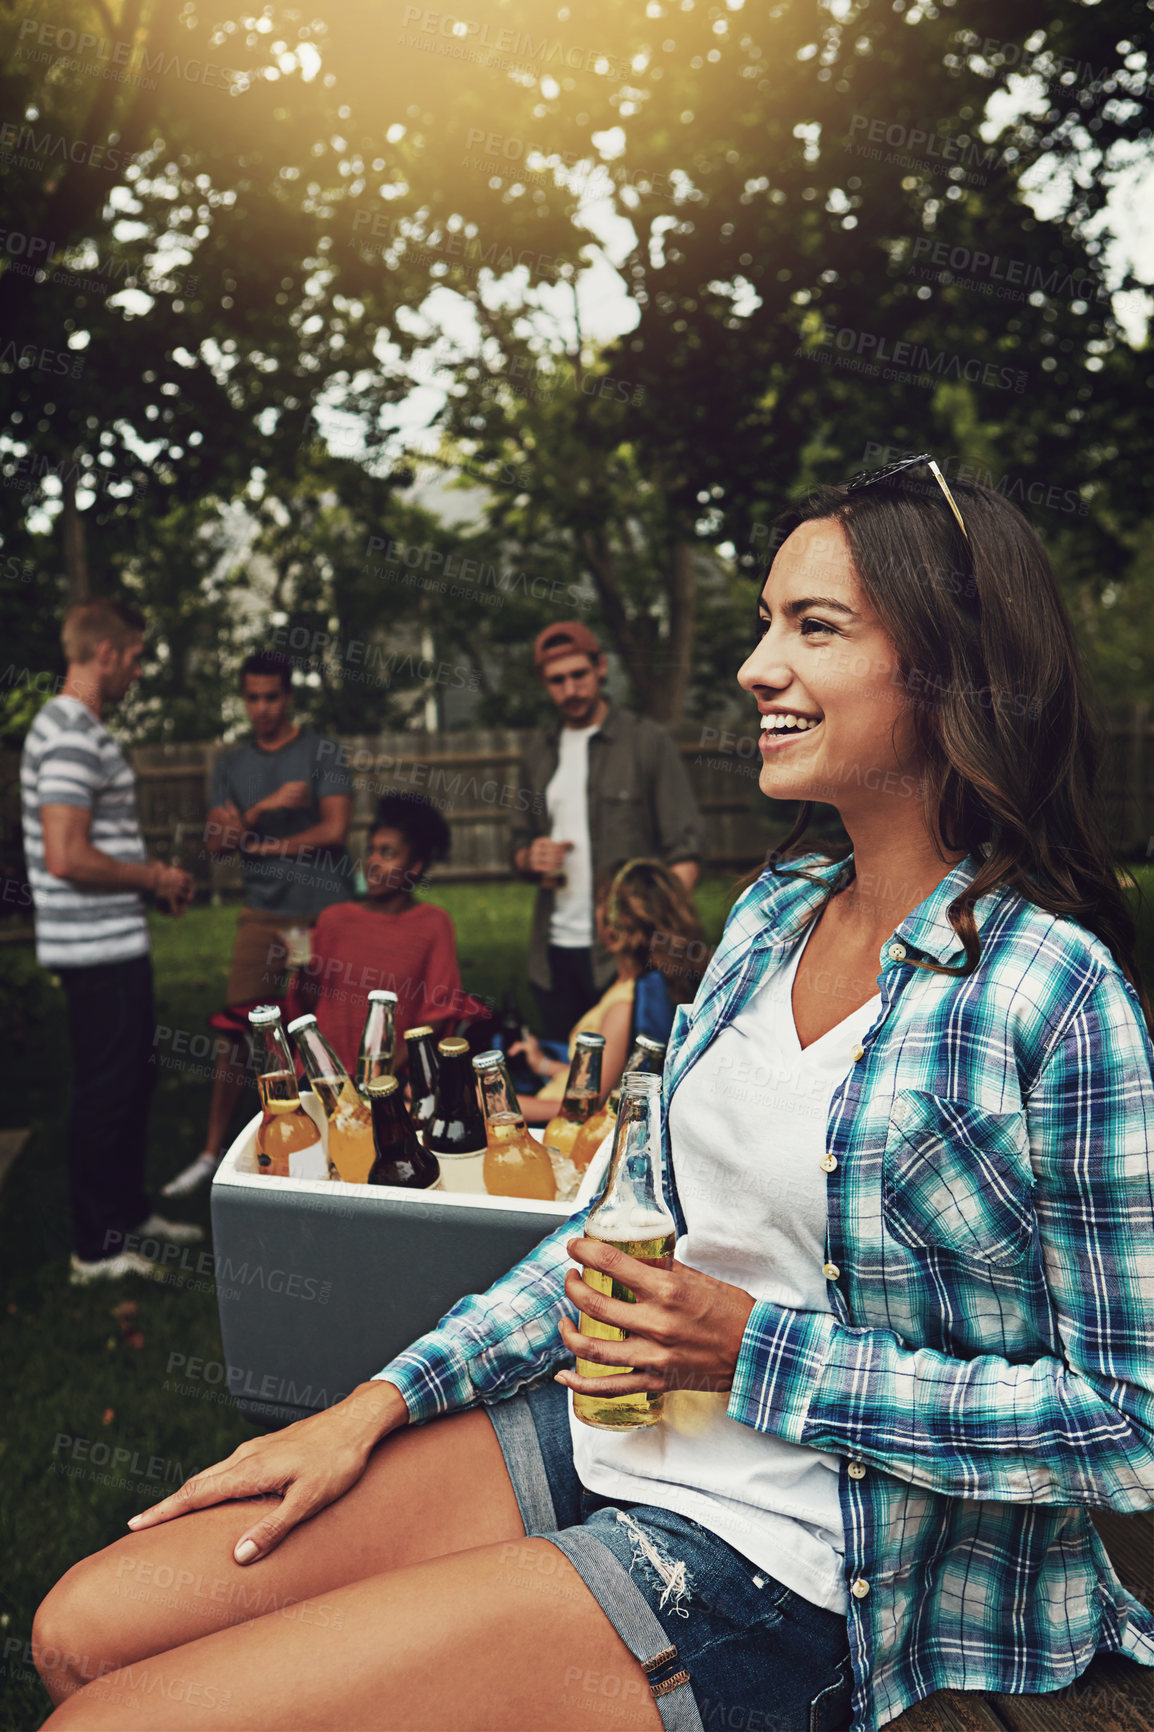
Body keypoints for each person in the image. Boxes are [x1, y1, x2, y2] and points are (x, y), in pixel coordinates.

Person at [32, 463, 1154, 1732]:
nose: (754, 664)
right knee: (81, 1632)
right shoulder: (773, 917)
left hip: (801, 1553)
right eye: (763, 619)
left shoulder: (1048, 993)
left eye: (813, 626)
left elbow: (1125, 1425)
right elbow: (622, 1229)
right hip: (605, 1425)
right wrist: (377, 1399)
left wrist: (752, 1351)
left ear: (951, 666)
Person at [19, 599, 202, 1284]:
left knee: (131, 1079)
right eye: (136, 655)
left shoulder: (82, 730)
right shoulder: (67, 729)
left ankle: (127, 1214)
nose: (139, 669)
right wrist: (151, 873)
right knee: (106, 1088)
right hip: (94, 950)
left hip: (114, 937)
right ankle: (95, 1249)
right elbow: (66, 855)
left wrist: (147, 887)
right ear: (107, 653)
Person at [162, 651, 352, 1196]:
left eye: (272, 696)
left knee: (314, 1029)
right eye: (253, 698)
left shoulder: (321, 751)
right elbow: (217, 843)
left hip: (316, 913)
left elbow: (335, 829)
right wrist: (262, 810)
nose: (263, 708)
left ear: (289, 696)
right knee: (234, 1030)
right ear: (244, 699)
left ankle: (333, 1143)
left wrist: (265, 842)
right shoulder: (229, 763)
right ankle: (212, 1151)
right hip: (262, 912)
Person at [509, 620, 704, 1044]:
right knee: (567, 1078)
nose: (570, 689)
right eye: (557, 681)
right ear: (544, 684)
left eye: (579, 675)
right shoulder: (538, 753)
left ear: (600, 668)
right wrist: (530, 858)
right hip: (555, 951)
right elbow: (518, 845)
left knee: (632, 1083)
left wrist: (659, 937)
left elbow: (684, 851)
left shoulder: (646, 742)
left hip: (632, 951)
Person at [285, 792, 491, 1076]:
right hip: (322, 1075)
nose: (372, 862)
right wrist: (302, 965)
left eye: (388, 853)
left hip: (389, 1080)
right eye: (371, 850)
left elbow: (436, 1017)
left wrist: (381, 1075)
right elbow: (305, 1007)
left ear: (415, 867)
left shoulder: (433, 924)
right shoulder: (334, 919)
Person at [514, 858, 709, 1125]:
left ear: (612, 930)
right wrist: (543, 1064)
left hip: (561, 1131)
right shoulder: (631, 987)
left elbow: (585, 1108)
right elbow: (602, 1074)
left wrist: (496, 1105)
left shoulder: (623, 1006)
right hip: (556, 1091)